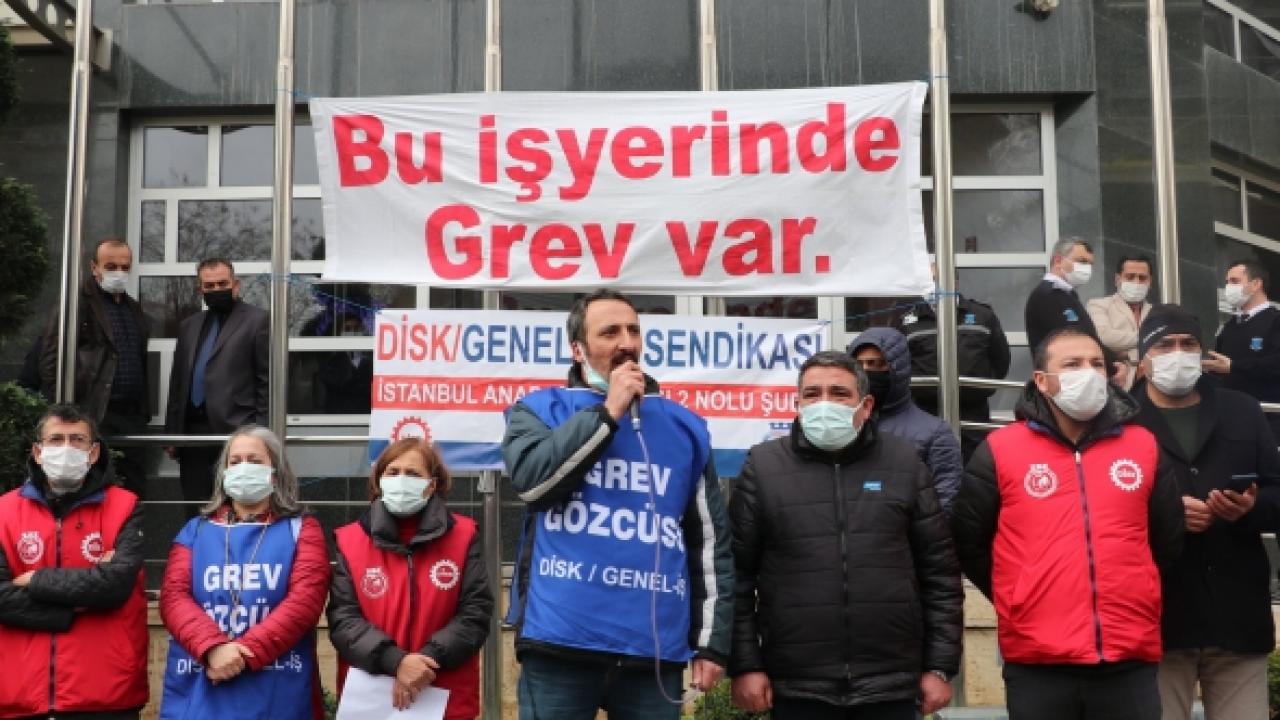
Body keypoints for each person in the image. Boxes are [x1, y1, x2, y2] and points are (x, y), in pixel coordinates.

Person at [501, 289, 733, 719]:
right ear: (578, 349)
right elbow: (533, 484)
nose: (626, 343)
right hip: (560, 643)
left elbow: (709, 543)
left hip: (653, 651)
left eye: (633, 331)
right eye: (609, 332)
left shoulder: (685, 427)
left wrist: (710, 643)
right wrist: (609, 413)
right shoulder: (539, 411)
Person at [951, 327, 1184, 720]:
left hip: (1128, 656)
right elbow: (968, 540)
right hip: (1037, 660)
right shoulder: (1000, 449)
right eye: (1073, 364)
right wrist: (1019, 595)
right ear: (1041, 381)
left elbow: (1167, 538)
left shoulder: (1142, 445)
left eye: (1097, 364)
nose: (1088, 373)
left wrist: (1137, 589)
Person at [728, 350, 962, 719]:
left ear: (865, 406)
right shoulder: (763, 467)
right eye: (812, 394)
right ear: (797, 404)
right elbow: (736, 577)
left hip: (890, 682)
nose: (824, 404)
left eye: (839, 394)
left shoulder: (904, 464)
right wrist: (745, 665)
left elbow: (940, 574)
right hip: (797, 684)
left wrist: (939, 666)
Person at [1128, 304, 1280, 720]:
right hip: (1157, 619)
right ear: (1143, 358)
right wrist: (1166, 515)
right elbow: (1097, 510)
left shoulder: (1242, 410)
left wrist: (1249, 508)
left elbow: (1276, 490)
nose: (1177, 353)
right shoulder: (1119, 421)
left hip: (1236, 615)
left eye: (1188, 344)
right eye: (1164, 345)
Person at [159, 425, 330, 719]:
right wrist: (212, 648)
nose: (243, 468)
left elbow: (305, 601)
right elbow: (174, 598)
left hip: (277, 689)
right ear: (224, 473)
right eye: (235, 462)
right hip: (203, 682)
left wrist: (241, 655)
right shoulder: (195, 531)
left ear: (274, 473)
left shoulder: (303, 530)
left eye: (254, 460)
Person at [0, 404, 148, 719]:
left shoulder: (125, 507)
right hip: (20, 695)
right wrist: (75, 605)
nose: (66, 448)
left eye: (77, 440)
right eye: (56, 439)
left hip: (106, 694)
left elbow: (115, 586)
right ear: (38, 452)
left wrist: (36, 580)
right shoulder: (3, 512)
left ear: (93, 453)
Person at [328, 438, 493, 719]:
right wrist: (396, 661)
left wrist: (426, 661)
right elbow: (343, 618)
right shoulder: (350, 540)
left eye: (413, 474)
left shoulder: (464, 536)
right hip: (371, 699)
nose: (401, 480)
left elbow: (475, 612)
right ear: (379, 481)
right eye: (393, 472)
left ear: (431, 485)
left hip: (444, 692)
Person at [40, 237, 152, 498]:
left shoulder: (133, 308)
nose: (119, 273)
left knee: (133, 489)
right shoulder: (77, 303)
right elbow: (50, 359)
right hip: (94, 412)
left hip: (131, 416)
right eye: (111, 266)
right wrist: (70, 413)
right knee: (93, 488)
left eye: (125, 267)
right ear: (94, 267)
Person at [165, 258, 270, 514]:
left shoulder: (258, 320)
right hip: (193, 436)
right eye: (209, 286)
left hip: (239, 432)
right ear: (200, 289)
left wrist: (261, 434)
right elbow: (178, 381)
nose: (216, 289)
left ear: (236, 285)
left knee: (239, 507)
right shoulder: (189, 326)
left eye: (222, 283)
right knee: (197, 509)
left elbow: (266, 381)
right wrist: (172, 433)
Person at [892, 275, 1011, 462]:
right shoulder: (908, 320)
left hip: (973, 412)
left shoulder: (982, 315)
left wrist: (981, 387)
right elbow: (897, 362)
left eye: (938, 278)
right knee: (928, 464)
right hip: (924, 411)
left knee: (975, 465)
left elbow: (1001, 359)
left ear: (955, 282)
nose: (934, 285)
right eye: (929, 280)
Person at [848, 328, 963, 515]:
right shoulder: (843, 425)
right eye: (859, 365)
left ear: (897, 369)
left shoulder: (934, 434)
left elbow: (944, 502)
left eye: (877, 364)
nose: (866, 371)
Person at [1204, 259, 1280, 441]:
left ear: (1256, 284)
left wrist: (1234, 367)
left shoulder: (1276, 321)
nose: (1229, 287)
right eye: (1227, 282)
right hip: (1230, 418)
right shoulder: (1229, 326)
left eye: (1235, 281)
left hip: (1267, 419)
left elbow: (1276, 365)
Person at [1024, 237, 1104, 358]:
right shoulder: (1047, 295)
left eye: (1090, 264)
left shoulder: (1067, 294)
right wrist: (1112, 364)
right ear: (1058, 261)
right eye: (1082, 261)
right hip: (1064, 366)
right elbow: (1073, 341)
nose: (1087, 268)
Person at [1086, 254, 1153, 390]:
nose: (1136, 282)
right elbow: (1105, 337)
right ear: (1117, 279)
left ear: (1150, 281)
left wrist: (1127, 354)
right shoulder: (1098, 305)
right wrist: (1151, 336)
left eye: (1142, 278)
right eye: (1130, 277)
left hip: (1152, 385)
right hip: (1116, 385)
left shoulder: (1157, 311)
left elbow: (1164, 344)